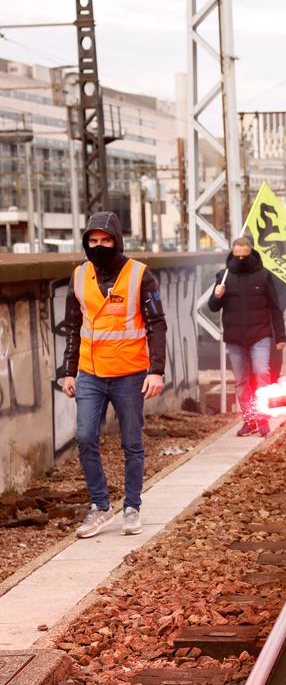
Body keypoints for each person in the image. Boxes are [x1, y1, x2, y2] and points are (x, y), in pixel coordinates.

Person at [61, 212, 167, 539]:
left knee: (132, 443)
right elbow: (72, 329)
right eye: (92, 241)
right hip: (90, 373)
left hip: (130, 374)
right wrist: (68, 372)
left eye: (105, 241)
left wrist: (157, 370)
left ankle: (131, 506)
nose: (99, 246)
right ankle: (101, 507)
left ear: (117, 241)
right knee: (84, 437)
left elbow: (156, 324)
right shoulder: (78, 277)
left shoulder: (140, 276)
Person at [209, 236, 286, 437]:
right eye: (238, 255)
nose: (241, 259)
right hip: (235, 338)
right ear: (233, 254)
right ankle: (249, 420)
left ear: (250, 252)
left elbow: (275, 308)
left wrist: (280, 336)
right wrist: (217, 295)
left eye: (245, 255)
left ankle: (262, 417)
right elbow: (212, 306)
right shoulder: (224, 276)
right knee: (242, 381)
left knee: (262, 374)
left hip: (260, 334)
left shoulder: (263, 276)